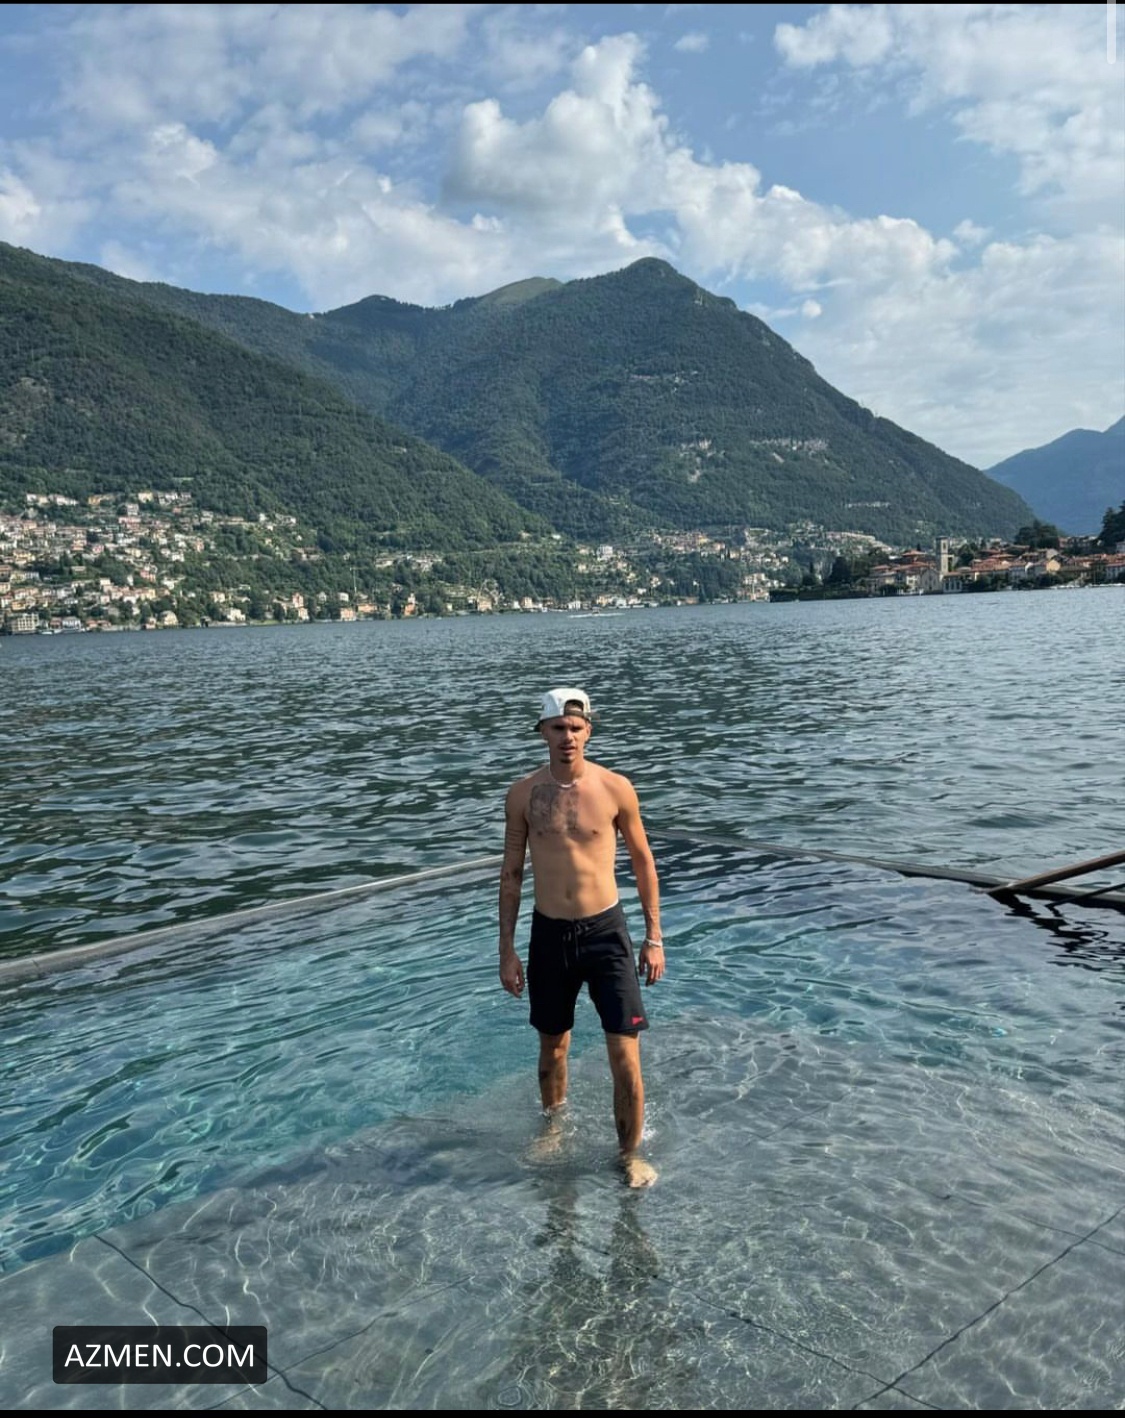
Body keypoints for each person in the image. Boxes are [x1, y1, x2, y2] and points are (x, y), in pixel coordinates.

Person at [499, 687, 665, 1187]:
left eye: (576, 727)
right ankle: (553, 1130)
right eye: (558, 728)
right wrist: (506, 950)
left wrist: (654, 936)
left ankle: (630, 1154)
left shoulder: (616, 788)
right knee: (552, 1047)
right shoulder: (523, 794)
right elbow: (511, 874)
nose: (567, 736)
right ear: (543, 733)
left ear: (588, 730)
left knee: (625, 1053)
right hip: (549, 933)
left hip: (606, 932)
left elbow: (643, 862)